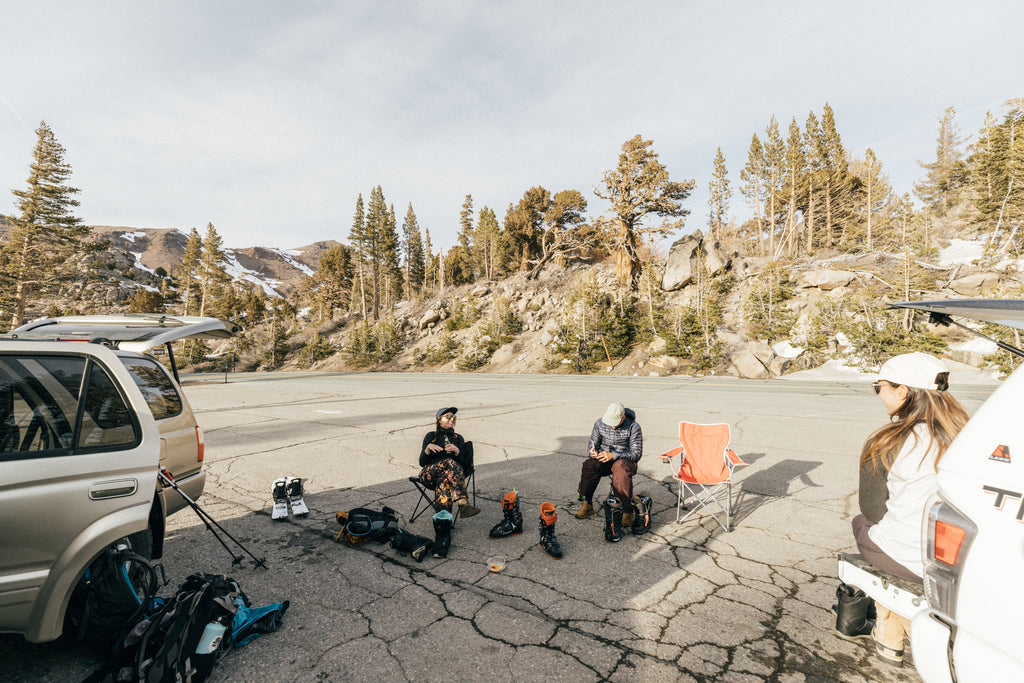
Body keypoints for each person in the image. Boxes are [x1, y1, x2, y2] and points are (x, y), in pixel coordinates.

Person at [843, 352, 968, 665]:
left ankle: (889, 635)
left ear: (902, 391)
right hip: (964, 559)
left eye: (879, 387)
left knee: (863, 524)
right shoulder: (968, 435)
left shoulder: (889, 440)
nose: (879, 395)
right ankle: (891, 634)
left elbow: (872, 511)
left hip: (916, 559)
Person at [574, 402, 643, 538]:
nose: (611, 425)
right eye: (609, 421)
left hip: (626, 461)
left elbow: (636, 454)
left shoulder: (633, 427)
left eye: (615, 422)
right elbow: (591, 444)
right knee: (589, 465)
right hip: (604, 458)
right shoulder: (600, 424)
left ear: (623, 418)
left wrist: (614, 455)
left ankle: (627, 510)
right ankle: (587, 502)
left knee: (620, 468)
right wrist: (592, 452)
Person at [418, 407, 480, 519]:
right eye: (448, 416)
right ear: (439, 419)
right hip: (429, 473)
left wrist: (457, 452)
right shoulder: (431, 436)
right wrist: (427, 450)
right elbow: (422, 462)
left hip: (450, 477)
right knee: (448, 462)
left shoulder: (458, 438)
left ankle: (443, 527)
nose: (452, 419)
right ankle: (462, 503)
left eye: (453, 417)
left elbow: (462, 466)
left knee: (443, 480)